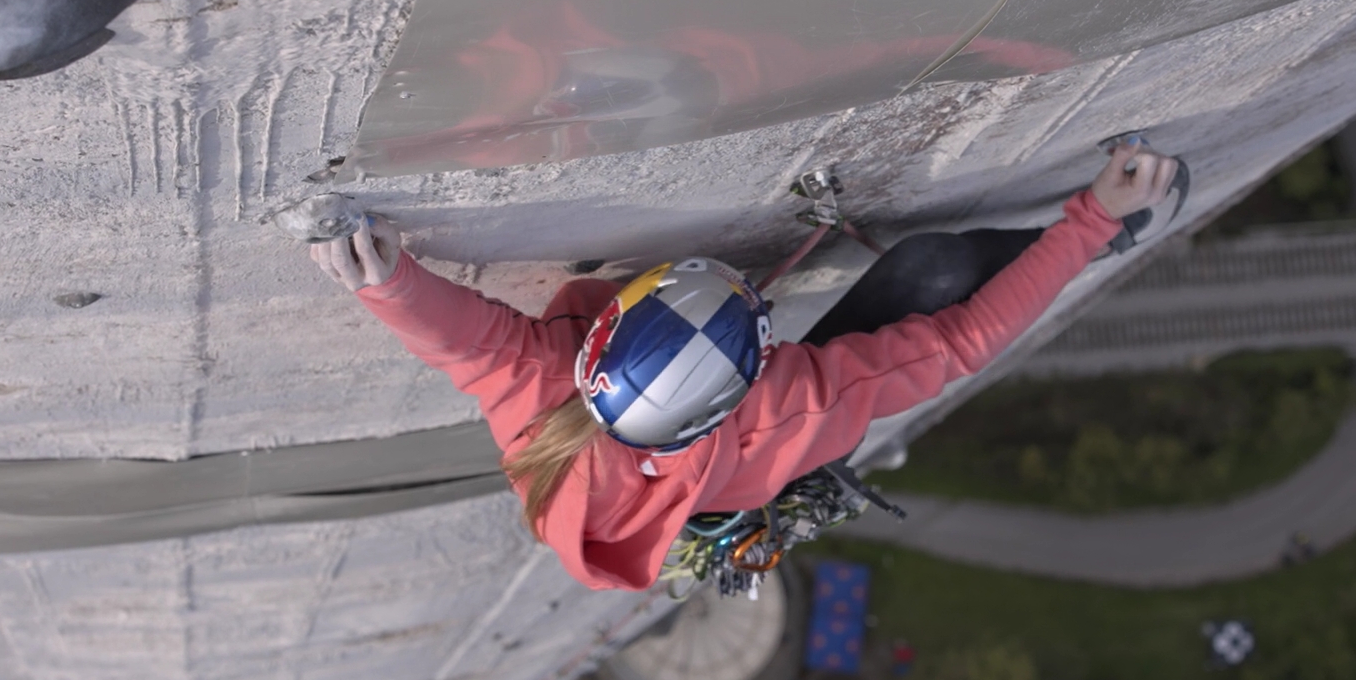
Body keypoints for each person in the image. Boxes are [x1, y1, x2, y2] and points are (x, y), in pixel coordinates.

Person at [310, 141, 1179, 591]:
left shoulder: (543, 393)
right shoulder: (786, 416)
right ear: (747, 385)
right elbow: (960, 340)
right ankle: (1109, 233)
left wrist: (385, 282)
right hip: (729, 479)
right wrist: (1090, 221)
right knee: (936, 277)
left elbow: (462, 338)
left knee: (928, 286)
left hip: (641, 493)